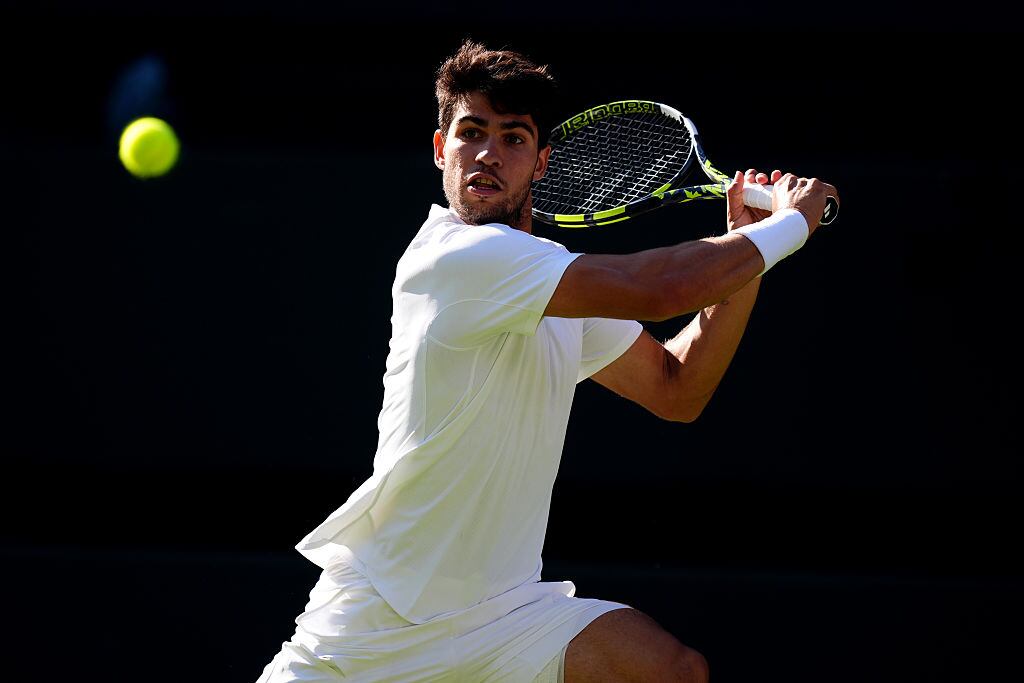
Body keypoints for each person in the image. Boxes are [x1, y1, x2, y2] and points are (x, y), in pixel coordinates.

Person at [256, 40, 837, 683]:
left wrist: (743, 255)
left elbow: (678, 388)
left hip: (502, 618)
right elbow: (664, 288)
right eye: (470, 132)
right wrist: (786, 229)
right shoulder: (452, 260)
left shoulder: (551, 283)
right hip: (372, 630)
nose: (487, 153)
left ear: (541, 163)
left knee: (670, 672)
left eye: (512, 138)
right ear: (439, 149)